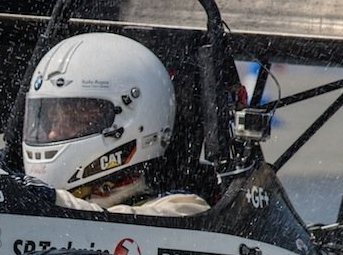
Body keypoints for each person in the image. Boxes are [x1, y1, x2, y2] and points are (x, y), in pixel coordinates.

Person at [22, 32, 209, 216]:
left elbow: (117, 222)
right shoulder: (33, 195)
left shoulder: (183, 208)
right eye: (51, 118)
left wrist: (54, 200)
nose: (54, 133)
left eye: (76, 118)